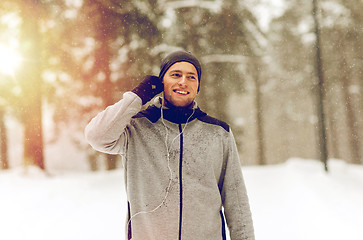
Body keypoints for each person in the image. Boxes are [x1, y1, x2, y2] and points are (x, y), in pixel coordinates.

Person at [85, 50, 255, 240]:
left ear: (197, 86)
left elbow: (237, 202)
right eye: (175, 75)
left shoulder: (218, 132)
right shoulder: (136, 127)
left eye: (191, 77)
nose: (183, 82)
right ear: (161, 82)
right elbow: (96, 136)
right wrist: (137, 97)